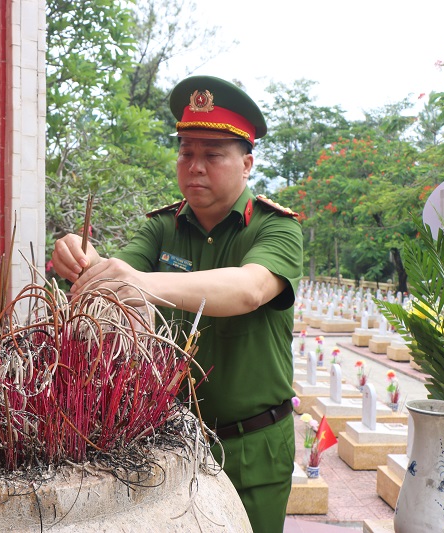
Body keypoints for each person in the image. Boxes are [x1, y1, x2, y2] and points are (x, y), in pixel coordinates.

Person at [51, 75, 304, 532]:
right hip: (167, 446)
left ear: (246, 164)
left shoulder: (274, 229)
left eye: (213, 154)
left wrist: (142, 282)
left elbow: (248, 289)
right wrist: (80, 257)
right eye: (186, 152)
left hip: (252, 448)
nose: (195, 166)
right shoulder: (161, 229)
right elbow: (114, 276)